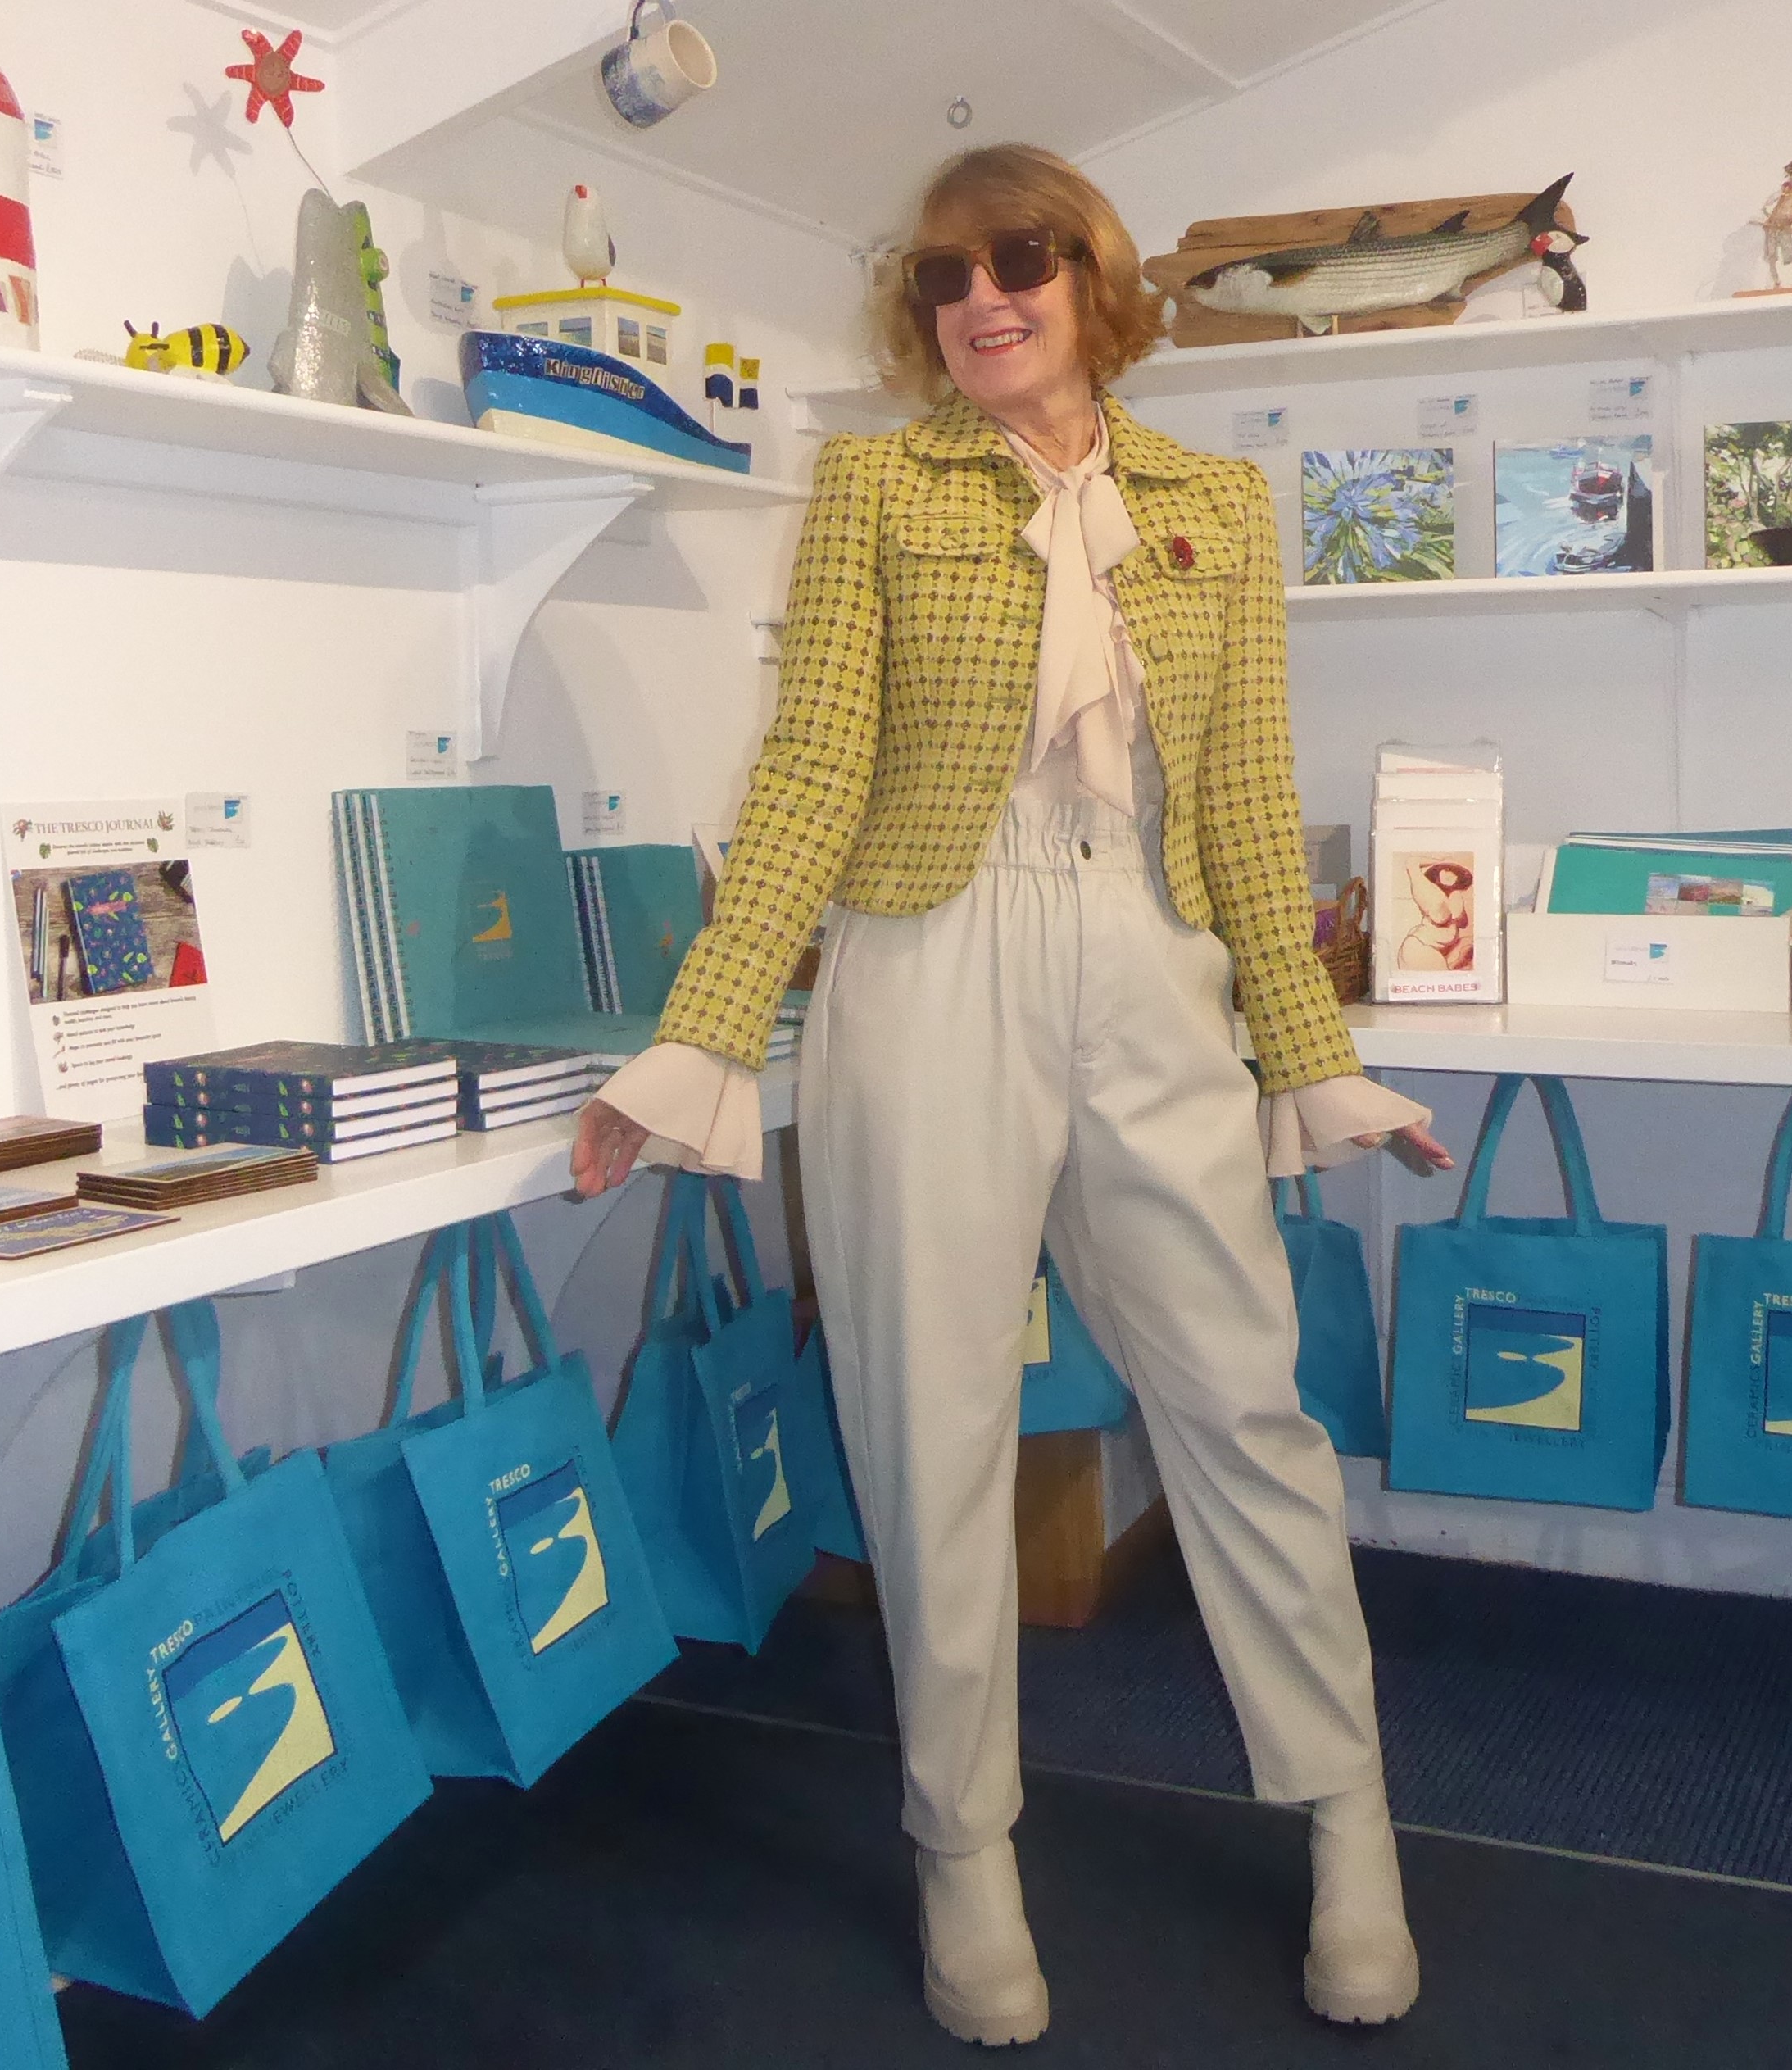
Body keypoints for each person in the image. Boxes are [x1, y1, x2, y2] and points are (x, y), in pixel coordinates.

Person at [572, 142, 1451, 2045]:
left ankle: (1344, 1820)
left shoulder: (1214, 501)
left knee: (1242, 1401)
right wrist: (699, 1035)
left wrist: (1312, 1057)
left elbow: (1240, 798)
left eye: (1021, 260)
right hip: (926, 952)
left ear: (1093, 280)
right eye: (943, 275)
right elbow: (813, 767)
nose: (981, 298)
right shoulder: (879, 488)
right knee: (928, 1423)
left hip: (1147, 952)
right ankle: (962, 1847)